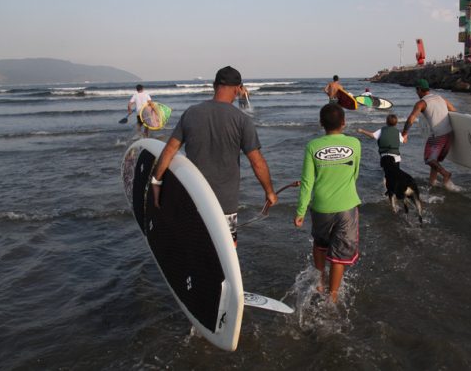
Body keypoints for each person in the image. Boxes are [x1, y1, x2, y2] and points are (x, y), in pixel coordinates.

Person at [150, 66, 278, 246]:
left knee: (195, 244)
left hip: (194, 196)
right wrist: (269, 192)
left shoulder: (191, 113)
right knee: (227, 249)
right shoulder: (242, 120)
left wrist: (157, 182)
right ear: (237, 89)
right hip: (225, 204)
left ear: (213, 85)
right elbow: (257, 163)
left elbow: (169, 151)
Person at [294, 103, 361, 303]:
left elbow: (307, 182)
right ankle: (332, 297)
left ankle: (320, 282)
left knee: (320, 244)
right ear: (344, 123)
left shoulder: (312, 146)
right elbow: (354, 173)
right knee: (339, 253)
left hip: (321, 207)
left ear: (321, 123)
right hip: (347, 206)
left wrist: (300, 211)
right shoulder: (355, 144)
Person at [401, 79, 456, 188]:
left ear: (420, 89)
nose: (416, 93)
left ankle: (445, 174)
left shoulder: (421, 103)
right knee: (434, 160)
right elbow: (453, 111)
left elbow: (411, 119)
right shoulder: (440, 98)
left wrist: (404, 133)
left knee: (429, 159)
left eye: (417, 90)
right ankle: (432, 182)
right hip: (449, 135)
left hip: (438, 135)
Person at [357, 114, 404, 198]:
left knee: (387, 174)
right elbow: (404, 141)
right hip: (396, 157)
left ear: (386, 122)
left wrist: (362, 130)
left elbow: (372, 135)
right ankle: (397, 189)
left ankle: (387, 191)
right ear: (396, 123)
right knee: (396, 173)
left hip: (385, 157)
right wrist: (405, 135)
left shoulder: (381, 130)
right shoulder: (398, 133)